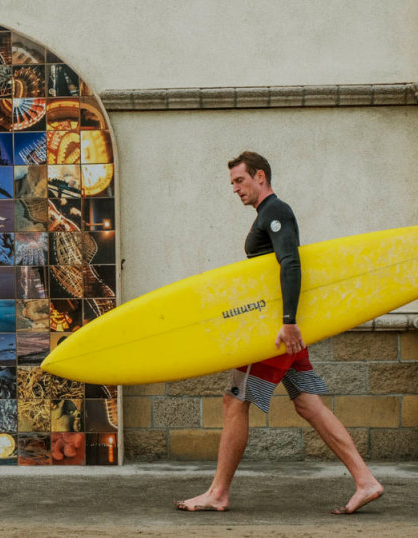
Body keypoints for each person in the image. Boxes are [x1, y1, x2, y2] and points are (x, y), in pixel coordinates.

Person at [175, 151, 383, 515]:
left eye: (239, 180)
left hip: (277, 333)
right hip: (282, 329)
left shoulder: (276, 212)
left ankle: (218, 493)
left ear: (260, 176)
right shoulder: (266, 214)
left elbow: (290, 261)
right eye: (232, 183)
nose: (235, 188)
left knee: (234, 401)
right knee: (307, 403)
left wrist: (288, 321)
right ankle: (366, 481)